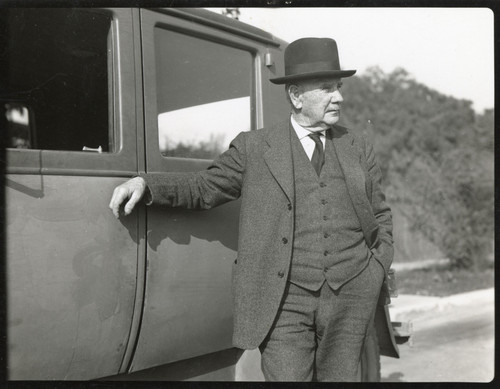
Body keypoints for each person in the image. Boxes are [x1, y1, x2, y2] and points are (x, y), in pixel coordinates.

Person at [109, 37, 393, 382]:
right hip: (283, 301)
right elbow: (204, 187)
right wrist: (147, 184)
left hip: (351, 295)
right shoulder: (255, 148)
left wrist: (376, 268)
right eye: (327, 88)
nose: (340, 97)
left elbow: (380, 214)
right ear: (296, 96)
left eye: (339, 87)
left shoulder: (356, 146)